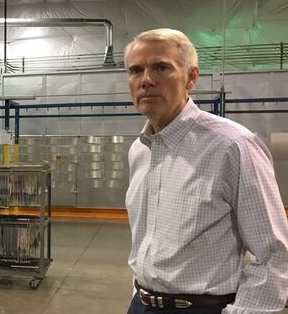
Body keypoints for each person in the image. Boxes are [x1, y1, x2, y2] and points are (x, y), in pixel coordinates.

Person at [123, 29, 288, 314]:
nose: (146, 80)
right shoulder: (139, 150)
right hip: (141, 304)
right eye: (135, 70)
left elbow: (274, 254)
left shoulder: (233, 146)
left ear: (191, 77)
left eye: (161, 67)